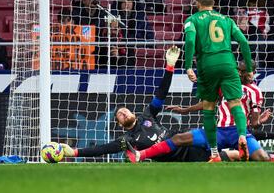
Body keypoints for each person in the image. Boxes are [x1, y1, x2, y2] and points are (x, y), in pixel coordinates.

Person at [60, 45, 240, 162]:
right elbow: (102, 149)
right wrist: (75, 152)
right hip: (184, 158)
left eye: (125, 110)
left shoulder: (148, 114)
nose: (123, 113)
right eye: (120, 115)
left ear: (132, 112)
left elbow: (161, 93)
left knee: (235, 139)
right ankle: (260, 154)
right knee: (232, 156)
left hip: (187, 140)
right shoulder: (128, 140)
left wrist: (170, 67)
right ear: (120, 124)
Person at [125, 60, 274, 162]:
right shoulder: (225, 85)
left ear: (252, 73)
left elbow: (253, 122)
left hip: (239, 133)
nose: (241, 73)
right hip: (218, 131)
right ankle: (140, 155)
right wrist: (186, 110)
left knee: (261, 159)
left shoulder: (254, 91)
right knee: (179, 138)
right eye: (239, 70)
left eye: (245, 71)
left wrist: (259, 120)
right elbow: (208, 103)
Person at [184, 0, 253, 161]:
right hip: (228, 64)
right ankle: (242, 136)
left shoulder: (192, 20)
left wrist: (188, 67)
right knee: (235, 103)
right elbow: (244, 42)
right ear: (213, 3)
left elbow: (191, 41)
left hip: (207, 65)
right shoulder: (227, 20)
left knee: (208, 108)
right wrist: (249, 68)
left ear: (197, 3)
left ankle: (214, 153)